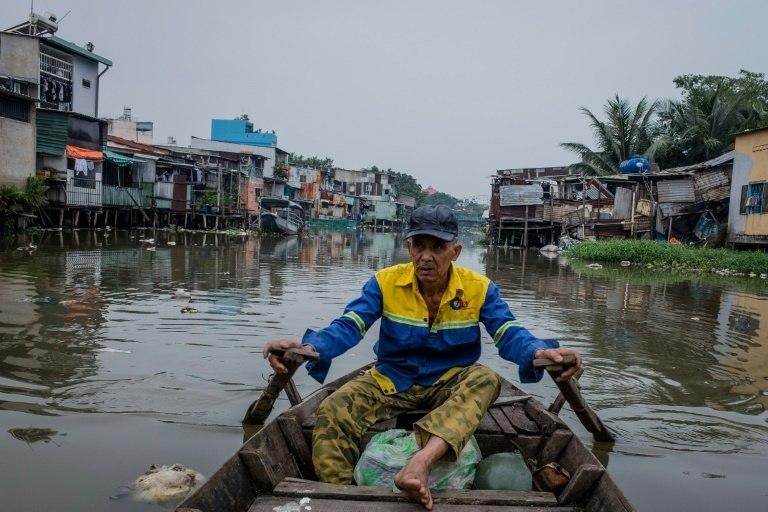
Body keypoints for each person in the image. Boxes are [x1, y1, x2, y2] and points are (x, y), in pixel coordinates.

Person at [263, 205, 582, 510]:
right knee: (333, 410)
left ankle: (420, 463)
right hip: (391, 378)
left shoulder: (479, 288)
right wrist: (310, 348)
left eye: (438, 247)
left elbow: (509, 332)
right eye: (419, 245)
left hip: (451, 381)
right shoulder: (385, 283)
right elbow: (350, 325)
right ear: (409, 246)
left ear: (455, 252)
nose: (426, 256)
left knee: (485, 379)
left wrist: (539, 351)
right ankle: (345, 496)